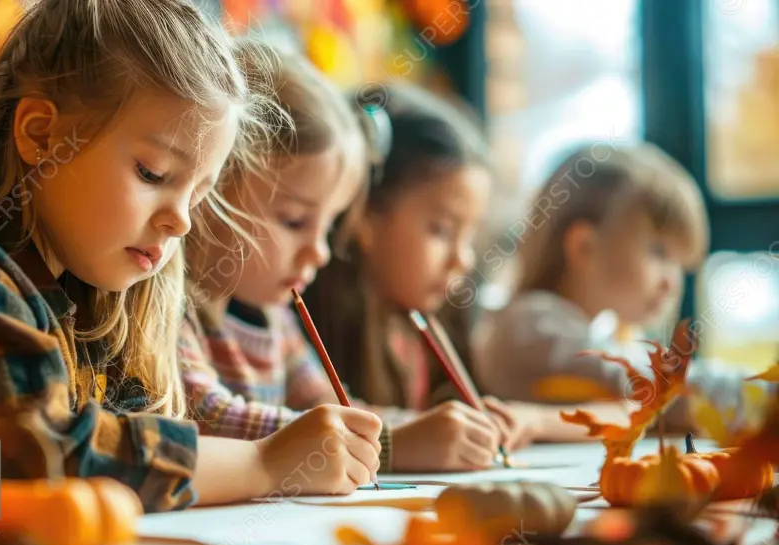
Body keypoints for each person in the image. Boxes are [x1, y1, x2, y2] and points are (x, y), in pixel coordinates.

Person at [0, 0, 380, 513]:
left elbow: (132, 430)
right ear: (41, 135)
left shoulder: (87, 291)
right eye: (153, 174)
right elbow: (42, 460)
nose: (182, 220)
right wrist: (267, 463)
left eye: (198, 193)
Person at [180, 60, 512, 473]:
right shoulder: (177, 310)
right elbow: (208, 418)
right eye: (295, 221)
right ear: (211, 192)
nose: (319, 252)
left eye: (331, 224)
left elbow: (333, 407)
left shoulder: (277, 318)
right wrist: (392, 445)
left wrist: (443, 430)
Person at [301, 83, 631, 458]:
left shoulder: (434, 325)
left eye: (469, 234)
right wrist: (409, 442)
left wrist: (512, 423)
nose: (464, 258)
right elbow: (310, 428)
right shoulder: (304, 330)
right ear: (367, 217)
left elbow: (636, 409)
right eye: (442, 229)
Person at [472, 142, 772, 432]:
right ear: (584, 247)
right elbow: (657, 392)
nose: (673, 282)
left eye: (680, 265)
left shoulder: (596, 331)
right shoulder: (533, 326)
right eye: (659, 252)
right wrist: (763, 396)